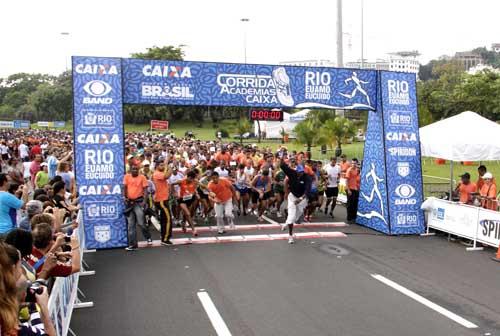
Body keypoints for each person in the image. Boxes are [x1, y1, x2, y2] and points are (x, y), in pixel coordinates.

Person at [278, 159, 311, 244]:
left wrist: (300, 199)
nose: (300, 174)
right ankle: (290, 236)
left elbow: (307, 191)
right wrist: (282, 158)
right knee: (292, 216)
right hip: (292, 197)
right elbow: (282, 166)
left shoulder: (307, 178)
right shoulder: (292, 173)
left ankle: (286, 223)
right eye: (298, 172)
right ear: (296, 171)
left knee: (296, 217)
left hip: (302, 199)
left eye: (301, 172)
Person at [123, 165, 152, 251]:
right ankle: (133, 245)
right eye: (133, 169)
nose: (135, 170)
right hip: (129, 203)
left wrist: (144, 202)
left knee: (141, 223)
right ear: (130, 170)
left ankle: (148, 237)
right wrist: (124, 197)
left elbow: (146, 190)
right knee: (131, 225)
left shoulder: (142, 177)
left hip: (139, 202)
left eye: (136, 169)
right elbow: (124, 187)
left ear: (138, 170)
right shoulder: (127, 177)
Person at [152, 158, 173, 245]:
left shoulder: (159, 172)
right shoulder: (157, 173)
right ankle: (165, 239)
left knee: (164, 220)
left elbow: (166, 174)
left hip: (163, 199)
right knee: (168, 220)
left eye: (163, 165)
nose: (163, 166)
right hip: (161, 200)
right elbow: (167, 176)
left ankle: (163, 237)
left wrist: (167, 165)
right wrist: (170, 167)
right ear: (156, 166)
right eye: (161, 165)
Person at [345, 158, 361, 223]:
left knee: (355, 204)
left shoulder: (357, 170)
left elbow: (357, 179)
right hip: (350, 189)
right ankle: (349, 218)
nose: (353, 164)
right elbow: (346, 180)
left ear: (357, 164)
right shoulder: (349, 170)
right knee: (350, 204)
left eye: (354, 163)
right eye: (352, 163)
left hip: (355, 189)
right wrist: (348, 190)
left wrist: (358, 188)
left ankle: (354, 217)